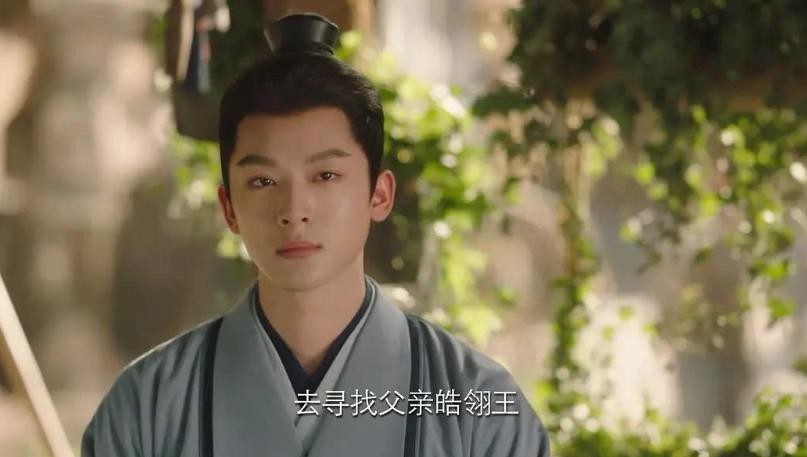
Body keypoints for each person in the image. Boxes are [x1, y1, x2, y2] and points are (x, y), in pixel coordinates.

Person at [81, 13, 550, 457]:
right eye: (263, 181)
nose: (293, 211)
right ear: (229, 208)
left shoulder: (481, 408)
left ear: (379, 195)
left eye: (325, 176)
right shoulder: (145, 406)